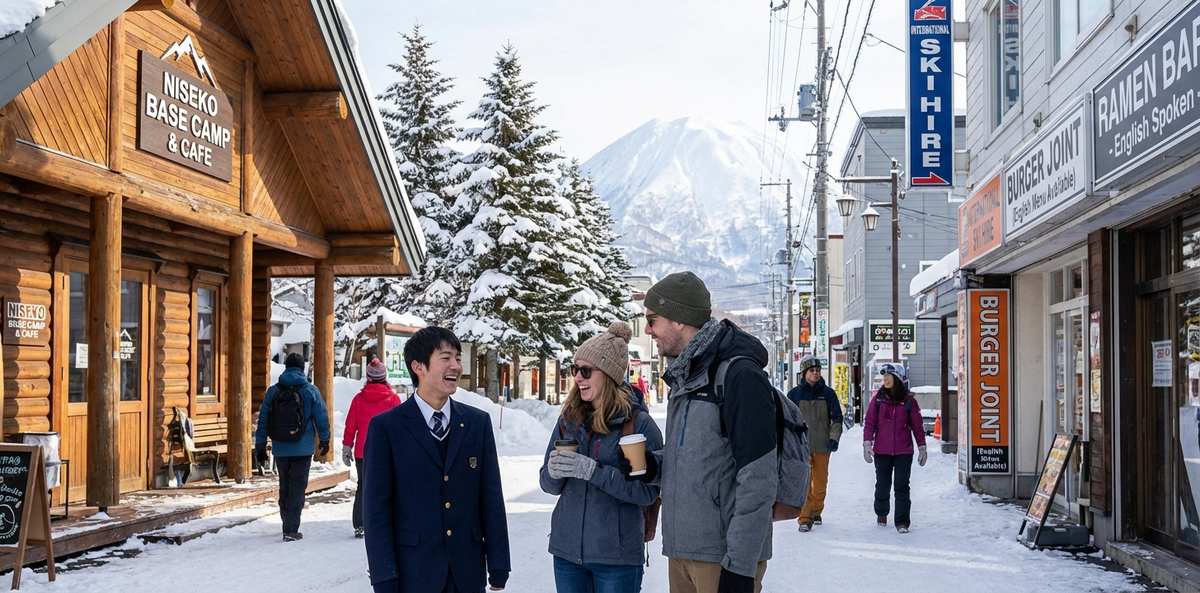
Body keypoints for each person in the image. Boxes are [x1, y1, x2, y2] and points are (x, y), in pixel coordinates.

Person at [630, 271, 778, 593]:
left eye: (652, 320)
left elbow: (759, 478)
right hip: (682, 550)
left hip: (723, 557)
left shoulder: (739, 376)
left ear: (679, 319)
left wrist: (740, 567)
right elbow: (701, 458)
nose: (648, 330)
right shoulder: (684, 376)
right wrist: (654, 465)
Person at [364, 327, 510, 593]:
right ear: (418, 366)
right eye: (446, 358)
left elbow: (490, 496)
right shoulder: (387, 428)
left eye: (457, 357)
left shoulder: (477, 423)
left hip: (467, 572)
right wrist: (383, 576)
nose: (456, 365)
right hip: (413, 573)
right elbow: (376, 510)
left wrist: (499, 563)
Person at [540, 322, 664, 593]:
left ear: (608, 375)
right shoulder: (569, 419)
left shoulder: (639, 425)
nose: (577, 378)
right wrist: (553, 472)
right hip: (567, 554)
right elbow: (548, 485)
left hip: (617, 559)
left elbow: (647, 494)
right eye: (575, 369)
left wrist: (593, 471)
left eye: (586, 371)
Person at [254, 351, 331, 542]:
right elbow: (321, 417)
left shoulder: (273, 391)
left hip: (280, 447)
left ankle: (286, 523)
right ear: (302, 369)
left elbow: (263, 420)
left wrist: (260, 445)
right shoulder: (310, 391)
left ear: (286, 367)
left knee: (285, 485)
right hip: (303, 449)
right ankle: (291, 529)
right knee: (297, 487)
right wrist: (325, 440)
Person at [862, 363, 927, 533]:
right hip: (882, 450)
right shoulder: (878, 400)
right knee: (882, 485)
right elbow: (870, 423)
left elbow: (917, 426)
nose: (885, 380)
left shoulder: (909, 401)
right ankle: (881, 513)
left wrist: (922, 447)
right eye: (884, 377)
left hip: (903, 451)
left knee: (902, 486)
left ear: (897, 378)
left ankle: (902, 522)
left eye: (888, 376)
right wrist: (867, 443)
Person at [342, 358, 401, 538]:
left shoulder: (359, 399)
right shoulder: (393, 399)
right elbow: (400, 428)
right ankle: (384, 522)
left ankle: (360, 524)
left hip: (363, 451)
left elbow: (350, 425)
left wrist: (347, 446)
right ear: (384, 376)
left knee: (363, 486)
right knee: (387, 487)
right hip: (386, 451)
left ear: (368, 377)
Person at [786, 355, 843, 532]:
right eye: (812, 370)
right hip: (801, 447)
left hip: (822, 445)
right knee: (805, 483)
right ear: (804, 373)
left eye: (818, 370)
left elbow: (837, 419)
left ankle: (816, 510)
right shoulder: (794, 395)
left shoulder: (828, 394)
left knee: (819, 485)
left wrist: (834, 438)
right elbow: (786, 420)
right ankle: (804, 518)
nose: (816, 373)